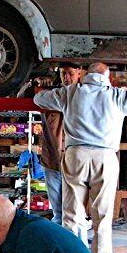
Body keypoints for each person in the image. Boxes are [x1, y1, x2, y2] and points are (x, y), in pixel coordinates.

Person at [34, 62, 127, 253]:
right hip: (105, 157)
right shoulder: (117, 96)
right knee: (101, 218)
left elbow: (38, 99)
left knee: (71, 217)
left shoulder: (71, 92)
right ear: (107, 77)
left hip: (76, 155)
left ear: (84, 75)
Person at [37, 63, 84, 226]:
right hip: (52, 161)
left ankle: (76, 246)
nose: (67, 77)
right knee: (58, 213)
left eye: (70, 73)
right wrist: (34, 84)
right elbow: (21, 96)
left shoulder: (85, 96)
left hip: (74, 163)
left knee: (75, 214)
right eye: (64, 73)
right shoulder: (51, 95)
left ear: (79, 73)